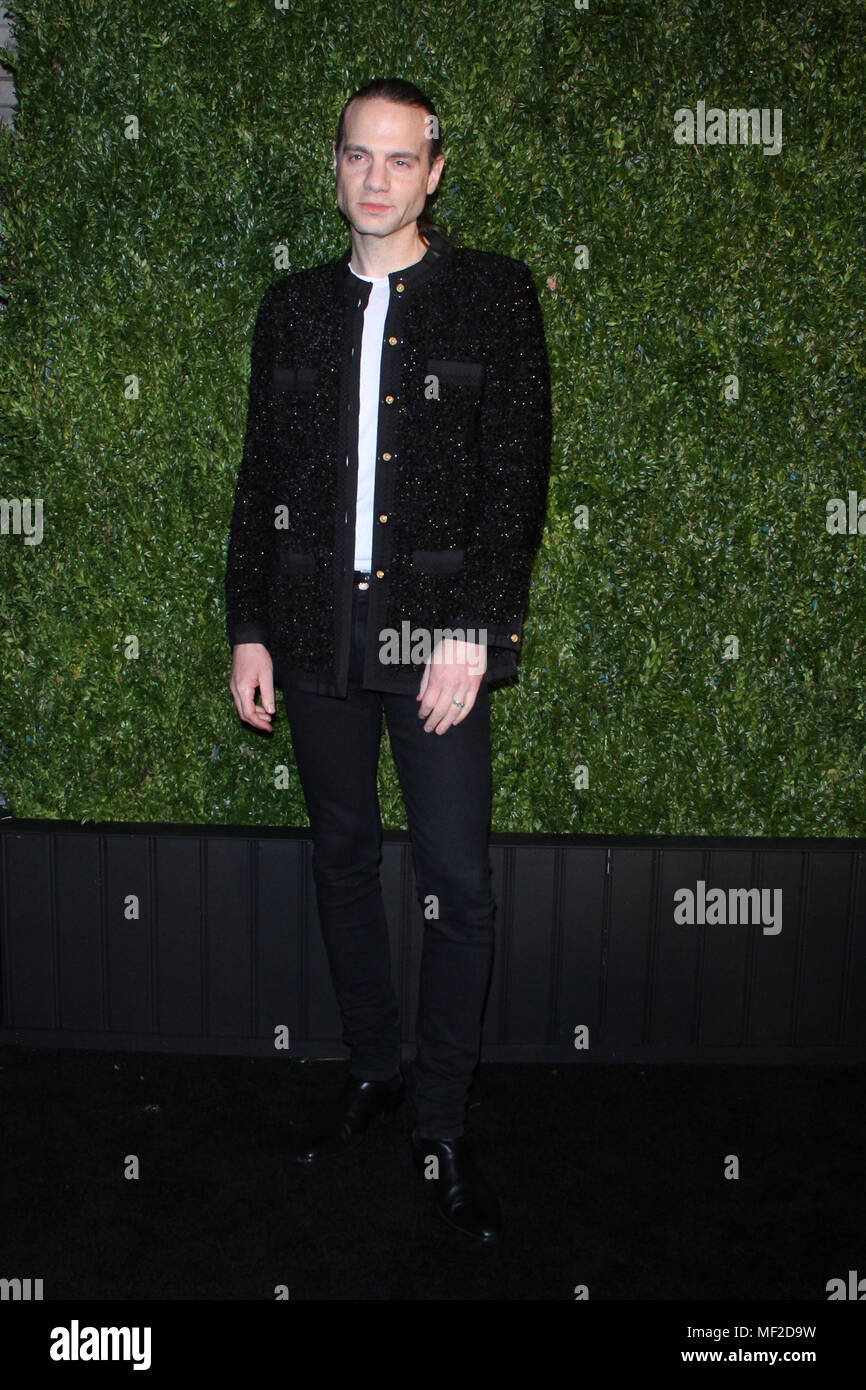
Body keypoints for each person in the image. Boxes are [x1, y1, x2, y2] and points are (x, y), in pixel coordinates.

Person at [225, 77, 551, 1243]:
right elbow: (259, 477)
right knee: (342, 853)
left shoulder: (492, 297)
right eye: (357, 155)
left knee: (457, 885)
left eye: (399, 158)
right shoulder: (291, 308)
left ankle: (443, 1120)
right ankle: (374, 1068)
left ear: (434, 170)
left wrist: (472, 630)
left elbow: (514, 478)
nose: (375, 177)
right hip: (311, 628)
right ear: (336, 165)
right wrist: (246, 624)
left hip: (434, 640)